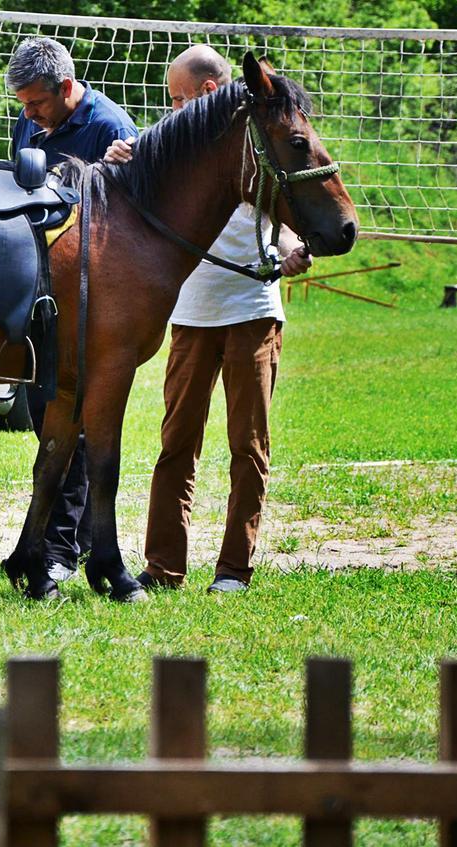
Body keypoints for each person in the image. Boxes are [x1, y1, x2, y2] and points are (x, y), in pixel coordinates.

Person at [104, 45, 311, 594]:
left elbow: (279, 216)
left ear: (209, 91)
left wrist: (290, 249)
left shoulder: (251, 153)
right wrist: (122, 162)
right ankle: (163, 566)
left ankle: (233, 570)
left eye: (177, 98)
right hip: (191, 316)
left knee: (248, 447)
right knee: (177, 444)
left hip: (252, 313)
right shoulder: (171, 148)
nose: (170, 108)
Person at [6, 36, 139, 584]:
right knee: (49, 420)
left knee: (77, 428)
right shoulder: (31, 119)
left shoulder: (112, 128)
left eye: (36, 103)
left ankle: (61, 548)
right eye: (22, 105)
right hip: (38, 291)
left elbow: (135, 219)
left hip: (89, 302)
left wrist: (117, 171)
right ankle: (74, 543)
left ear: (66, 88)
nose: (28, 115)